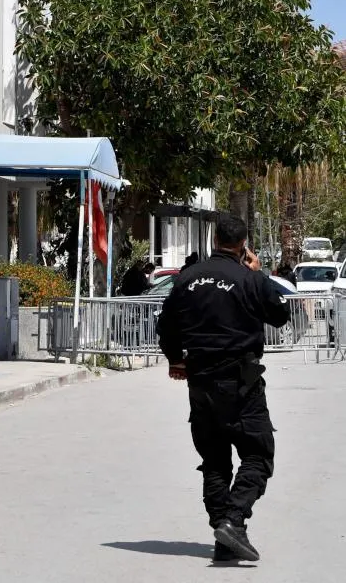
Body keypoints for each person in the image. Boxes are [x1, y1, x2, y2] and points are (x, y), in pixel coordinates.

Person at [156, 213, 290, 563]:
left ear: (215, 240)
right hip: (241, 382)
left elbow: (166, 325)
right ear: (244, 245)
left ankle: (225, 538)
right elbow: (280, 315)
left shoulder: (187, 278)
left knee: (215, 461)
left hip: (200, 381)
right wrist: (259, 275)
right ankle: (232, 521)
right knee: (258, 454)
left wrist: (175, 360)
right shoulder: (249, 278)